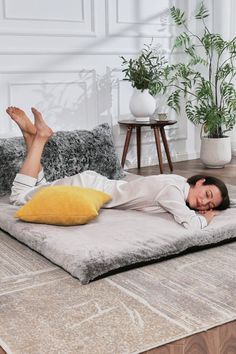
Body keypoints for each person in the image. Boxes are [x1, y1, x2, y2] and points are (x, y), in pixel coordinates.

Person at [6, 106, 230, 230]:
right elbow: (191, 225)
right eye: (207, 195)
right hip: (88, 189)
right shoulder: (172, 193)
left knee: (41, 187)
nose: (203, 203)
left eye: (209, 204)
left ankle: (31, 136)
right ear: (200, 181)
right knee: (19, 197)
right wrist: (208, 217)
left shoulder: (176, 180)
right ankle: (40, 139)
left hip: (93, 183)